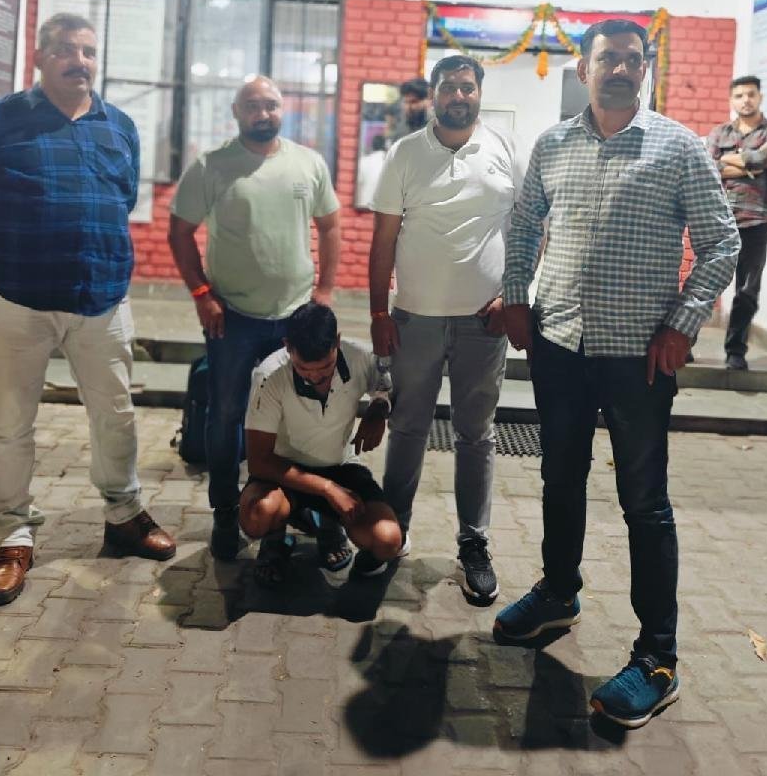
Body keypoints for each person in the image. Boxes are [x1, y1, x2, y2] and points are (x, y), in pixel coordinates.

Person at [496, 19, 739, 729]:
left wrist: (682, 323)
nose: (622, 69)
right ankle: (558, 593)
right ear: (584, 67)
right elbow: (524, 224)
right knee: (559, 476)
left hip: (639, 356)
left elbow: (721, 243)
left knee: (645, 503)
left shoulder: (678, 147)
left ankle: (657, 658)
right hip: (560, 344)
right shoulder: (554, 144)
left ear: (646, 68)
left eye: (635, 59)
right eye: (610, 59)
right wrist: (516, 297)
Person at [0, 12, 176, 608]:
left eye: (88, 51)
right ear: (40, 57)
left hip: (101, 299)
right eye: (66, 49)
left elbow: (121, 198)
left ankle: (123, 515)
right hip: (18, 298)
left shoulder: (119, 126)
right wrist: (6, 240)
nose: (80, 60)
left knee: (115, 414)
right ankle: (13, 535)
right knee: (11, 423)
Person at [168, 75, 340, 561]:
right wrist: (202, 294)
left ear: (283, 109)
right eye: (252, 106)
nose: (263, 114)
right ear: (236, 112)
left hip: (295, 317)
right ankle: (226, 512)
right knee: (226, 416)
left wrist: (325, 291)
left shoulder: (308, 163)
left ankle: (289, 511)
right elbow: (179, 232)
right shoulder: (211, 166)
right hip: (233, 317)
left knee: (296, 420)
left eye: (271, 105)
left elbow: (330, 227)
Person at [369, 54, 519, 602]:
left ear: (479, 93)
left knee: (476, 433)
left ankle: (474, 544)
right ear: (433, 94)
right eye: (448, 87)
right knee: (408, 426)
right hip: (416, 317)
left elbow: (528, 226)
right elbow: (383, 239)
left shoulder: (504, 149)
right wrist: (379, 313)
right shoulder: (406, 154)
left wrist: (514, 297)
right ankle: (393, 530)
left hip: (484, 320)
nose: (458, 95)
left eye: (467, 86)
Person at [241, 301, 402, 585]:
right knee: (258, 515)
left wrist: (379, 408)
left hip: (340, 465)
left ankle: (330, 526)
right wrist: (327, 489)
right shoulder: (269, 375)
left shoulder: (359, 356)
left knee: (387, 540)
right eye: (304, 369)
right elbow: (259, 461)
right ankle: (275, 541)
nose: (316, 376)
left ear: (337, 341)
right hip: (284, 471)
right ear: (287, 346)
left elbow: (386, 382)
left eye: (326, 367)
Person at [707, 76, 767, 371]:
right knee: (704, 285)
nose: (745, 100)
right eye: (739, 95)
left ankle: (735, 351)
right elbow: (708, 165)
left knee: (747, 291)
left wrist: (728, 161)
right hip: (719, 218)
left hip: (757, 220)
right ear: (731, 100)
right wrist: (745, 164)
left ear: (760, 97)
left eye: (751, 94)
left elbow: (766, 158)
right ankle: (684, 344)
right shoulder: (720, 132)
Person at [356, 133, 387, 209]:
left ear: (372, 146)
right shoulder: (390, 163)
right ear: (385, 146)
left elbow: (358, 187)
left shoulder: (363, 161)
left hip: (364, 206)